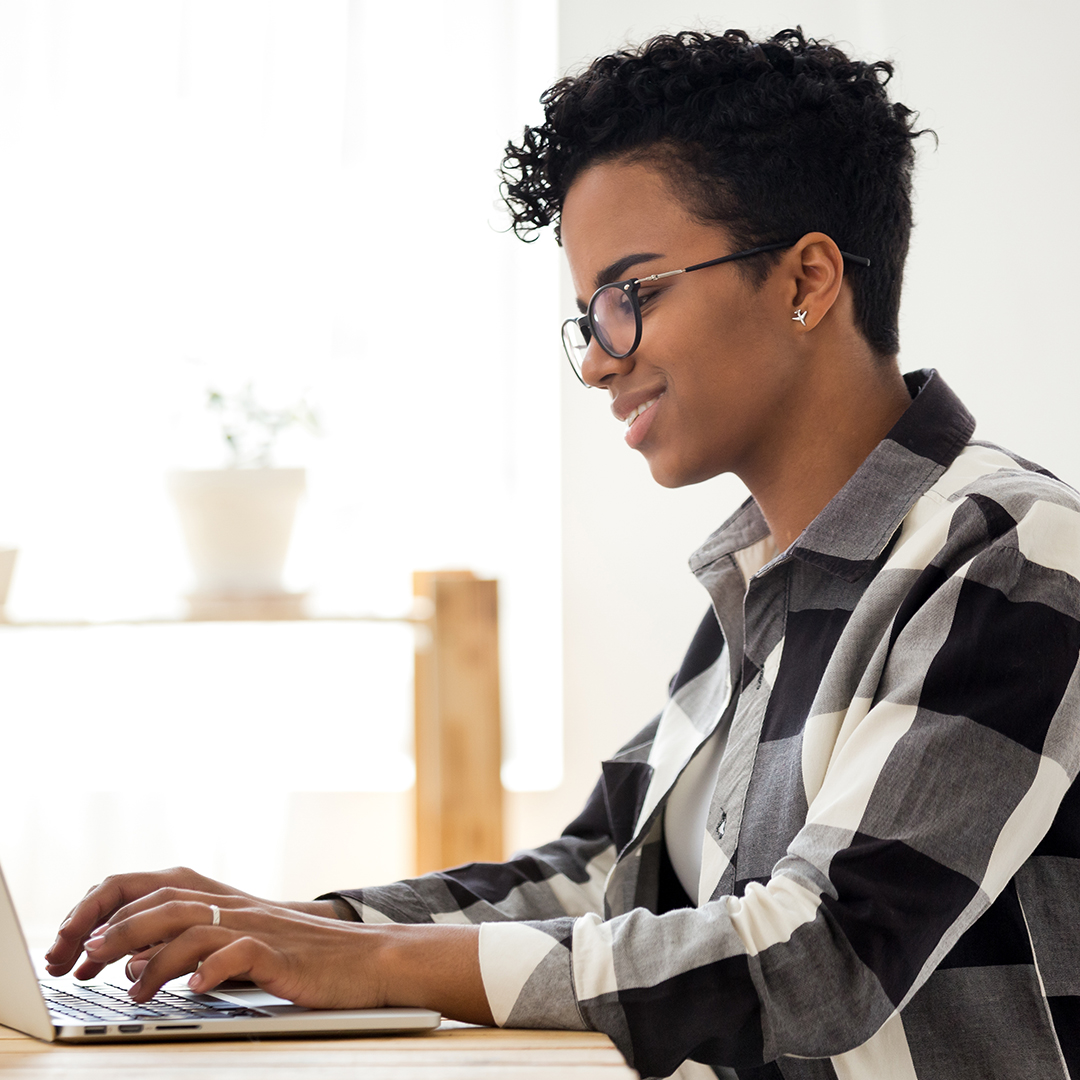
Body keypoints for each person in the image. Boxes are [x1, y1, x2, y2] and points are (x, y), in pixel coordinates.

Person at [44, 28, 1080, 1080]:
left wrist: (372, 961)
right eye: (589, 315)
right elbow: (601, 874)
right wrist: (302, 925)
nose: (595, 362)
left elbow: (821, 955)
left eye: (634, 297)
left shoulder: (1009, 551)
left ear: (806, 278)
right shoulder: (765, 580)